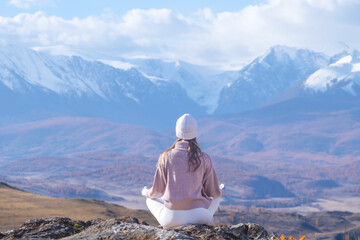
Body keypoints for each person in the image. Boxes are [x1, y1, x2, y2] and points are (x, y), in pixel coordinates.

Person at [142, 113, 224, 228]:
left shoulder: (165, 157)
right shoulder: (204, 158)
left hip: (171, 218)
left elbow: (157, 192)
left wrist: (145, 192)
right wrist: (221, 190)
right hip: (200, 216)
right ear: (195, 132)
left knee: (150, 200)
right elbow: (213, 193)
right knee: (218, 198)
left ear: (177, 132)